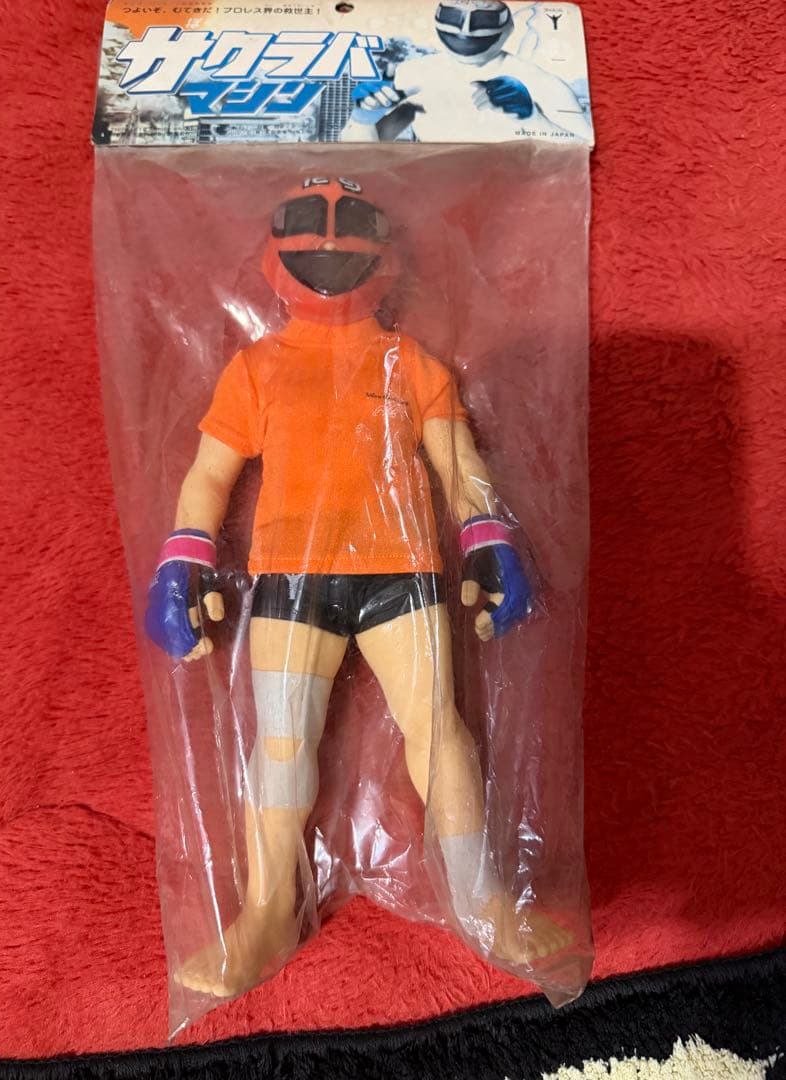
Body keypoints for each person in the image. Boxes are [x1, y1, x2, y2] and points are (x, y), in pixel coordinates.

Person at [146, 176, 571, 997]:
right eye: (308, 222)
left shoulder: (414, 366)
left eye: (350, 222)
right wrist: (183, 558)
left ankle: (486, 901)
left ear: (385, 255)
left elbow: (458, 465)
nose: (330, 238)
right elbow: (208, 476)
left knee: (438, 732)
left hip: (401, 572)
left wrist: (488, 537)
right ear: (274, 257)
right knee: (285, 746)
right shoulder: (256, 368)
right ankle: (266, 914)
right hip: (292, 579)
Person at [345, 0, 591, 143]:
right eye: (453, 16)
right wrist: (363, 119)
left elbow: (582, 152)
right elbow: (364, 154)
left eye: (483, 19)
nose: (465, 30)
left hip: (517, 191)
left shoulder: (542, 82)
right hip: (431, 189)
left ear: (507, 26)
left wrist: (533, 119)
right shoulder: (413, 73)